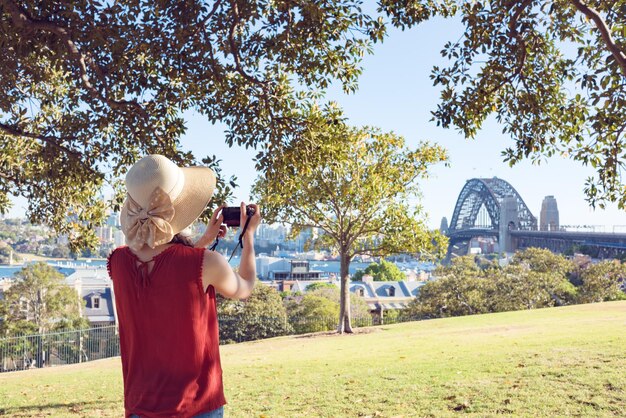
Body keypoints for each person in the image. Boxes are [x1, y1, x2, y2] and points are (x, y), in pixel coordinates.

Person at [107, 154, 260, 418]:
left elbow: (166, 274)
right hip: (196, 407)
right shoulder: (206, 263)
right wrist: (249, 239)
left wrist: (204, 240)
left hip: (139, 407)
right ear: (179, 209)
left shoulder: (118, 262)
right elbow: (244, 286)